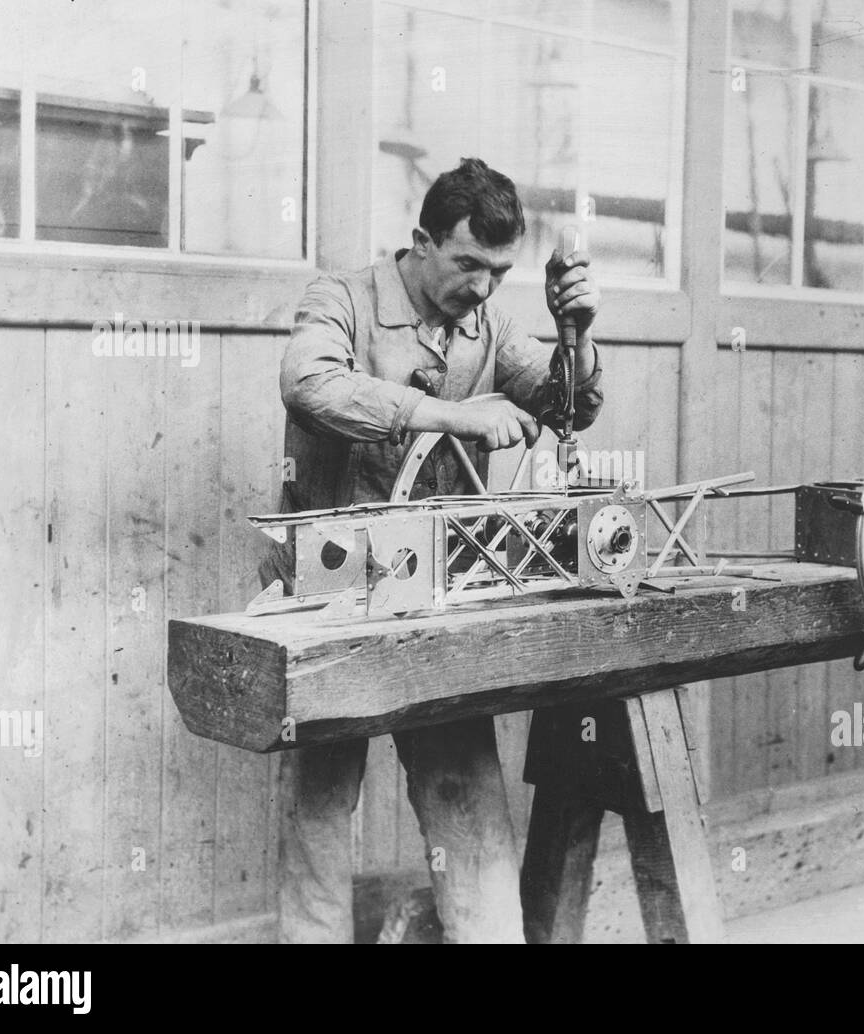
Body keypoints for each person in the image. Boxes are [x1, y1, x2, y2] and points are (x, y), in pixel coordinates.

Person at [258, 157, 603, 943]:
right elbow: (309, 384)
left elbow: (567, 406)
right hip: (324, 593)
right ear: (421, 242)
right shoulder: (341, 299)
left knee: (468, 797)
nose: (482, 288)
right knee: (318, 809)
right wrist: (450, 416)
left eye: (500, 272)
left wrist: (576, 332)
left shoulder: (489, 325)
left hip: (434, 598)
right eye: (467, 265)